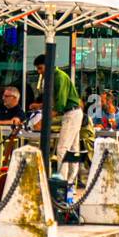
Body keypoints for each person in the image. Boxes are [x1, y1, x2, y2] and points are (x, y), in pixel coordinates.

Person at [35, 53, 85, 183]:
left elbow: (60, 104)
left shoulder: (58, 77)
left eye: (40, 68)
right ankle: (71, 181)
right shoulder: (55, 76)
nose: (39, 72)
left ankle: (62, 181)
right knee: (74, 149)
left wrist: (44, 120)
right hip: (74, 112)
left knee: (62, 148)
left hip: (71, 113)